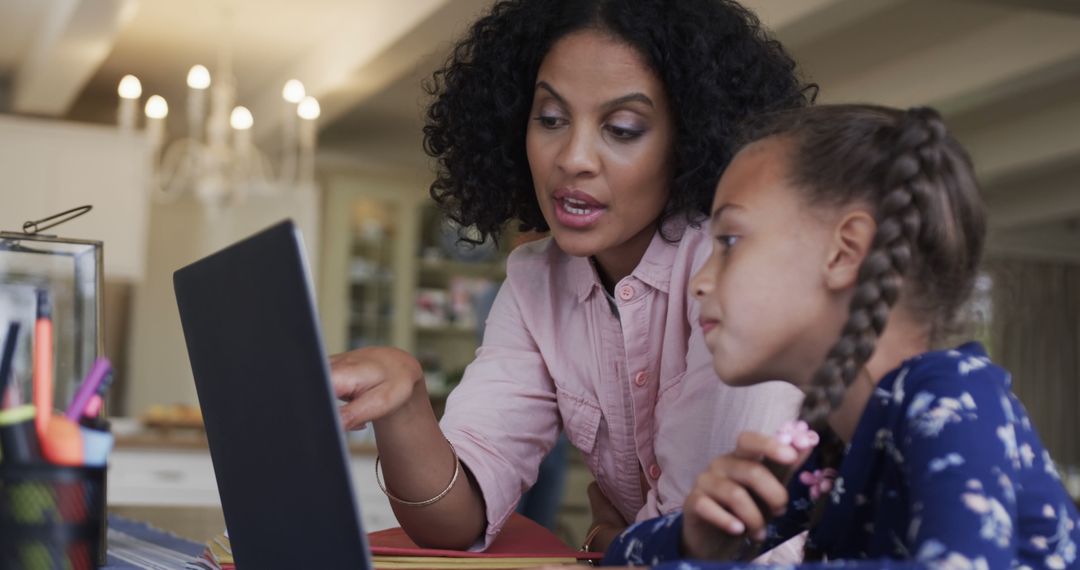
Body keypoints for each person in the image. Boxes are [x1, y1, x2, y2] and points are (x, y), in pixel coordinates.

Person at [329, 0, 811, 552]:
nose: (573, 158)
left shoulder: (732, 271)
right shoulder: (536, 283)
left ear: (691, 139)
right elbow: (455, 523)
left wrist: (616, 540)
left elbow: (703, 544)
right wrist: (407, 403)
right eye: (551, 119)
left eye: (623, 128)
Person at [602, 104, 1080, 568]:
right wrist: (697, 540)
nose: (698, 282)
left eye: (728, 241)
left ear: (845, 253)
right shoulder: (826, 454)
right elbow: (628, 556)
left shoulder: (955, 395)